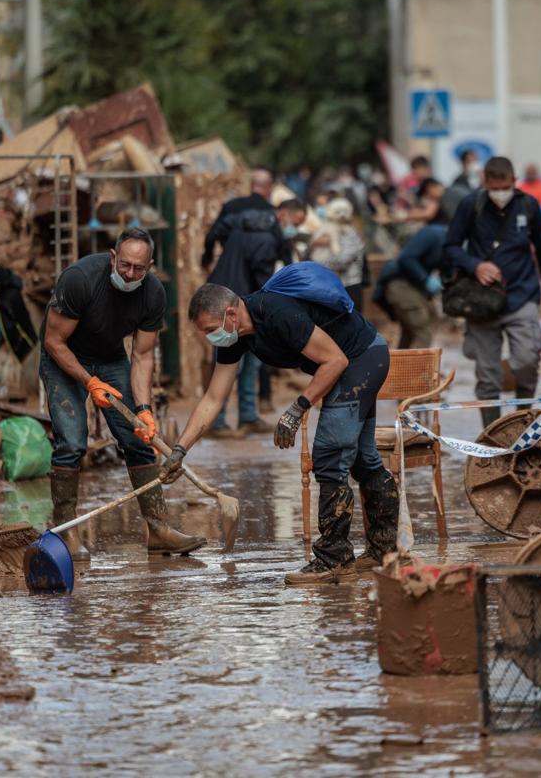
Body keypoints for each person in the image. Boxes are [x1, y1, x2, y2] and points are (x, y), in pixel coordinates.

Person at [165, 278, 397, 585]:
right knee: (363, 459)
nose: (211, 338)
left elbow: (335, 360)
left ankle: (334, 558)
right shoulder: (236, 338)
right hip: (352, 362)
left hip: (362, 358)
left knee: (330, 453)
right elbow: (212, 399)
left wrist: (296, 408)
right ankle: (384, 551)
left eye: (211, 330)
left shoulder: (275, 313)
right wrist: (179, 450)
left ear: (231, 315)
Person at [41, 228, 205, 560]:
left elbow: (142, 356)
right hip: (64, 357)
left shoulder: (153, 294)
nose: (130, 274)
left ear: (151, 266)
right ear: (113, 256)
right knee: (72, 441)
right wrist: (89, 382)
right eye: (125, 265)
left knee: (139, 438)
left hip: (110, 357)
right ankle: (65, 530)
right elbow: (53, 341)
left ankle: (158, 530)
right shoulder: (80, 279)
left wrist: (143, 409)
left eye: (139, 269)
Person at [443, 156, 541, 427]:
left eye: (505, 187)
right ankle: (493, 435)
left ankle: (524, 424)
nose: (500, 194)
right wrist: (475, 266)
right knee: (487, 375)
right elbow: (450, 246)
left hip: (522, 296)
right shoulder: (470, 205)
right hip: (481, 302)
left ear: (514, 181)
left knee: (527, 361)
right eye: (494, 188)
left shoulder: (528, 206)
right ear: (485, 183)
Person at [204, 170, 284, 437]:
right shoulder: (266, 234)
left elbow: (210, 236)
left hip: (222, 291)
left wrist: (206, 259)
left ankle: (243, 417)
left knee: (239, 360)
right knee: (238, 361)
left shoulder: (234, 218)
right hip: (241, 301)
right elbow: (270, 268)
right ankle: (221, 421)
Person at [373, 198, 449, 348]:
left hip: (412, 285)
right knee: (423, 330)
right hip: (400, 284)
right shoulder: (433, 234)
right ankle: (416, 371)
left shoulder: (448, 241)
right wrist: (425, 279)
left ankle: (400, 370)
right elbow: (406, 258)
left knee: (411, 332)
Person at [309, 197, 366, 311]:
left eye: (344, 211)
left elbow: (343, 261)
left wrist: (319, 264)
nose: (341, 215)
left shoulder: (350, 233)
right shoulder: (326, 229)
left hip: (349, 284)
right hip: (333, 285)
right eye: (338, 212)